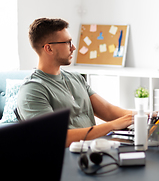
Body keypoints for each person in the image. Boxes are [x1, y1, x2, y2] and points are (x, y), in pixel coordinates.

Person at [17, 18, 135, 147]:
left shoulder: (76, 78)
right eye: (67, 42)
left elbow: (108, 111)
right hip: (66, 160)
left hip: (91, 152)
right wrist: (112, 126)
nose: (73, 47)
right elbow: (55, 137)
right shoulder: (32, 90)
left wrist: (146, 116)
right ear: (49, 48)